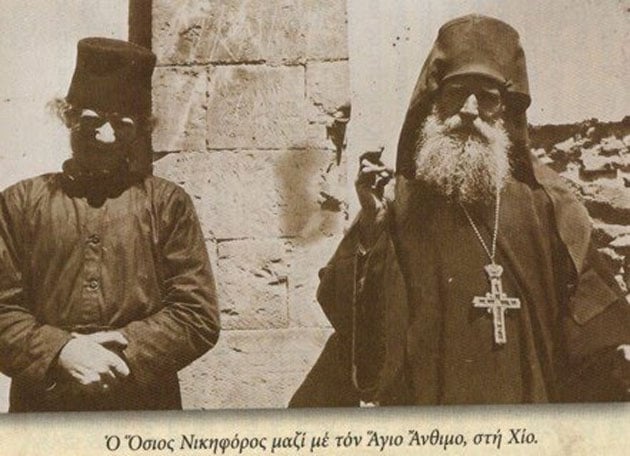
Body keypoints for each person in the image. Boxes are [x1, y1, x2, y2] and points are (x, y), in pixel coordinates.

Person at [290, 14, 630, 407]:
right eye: (457, 92)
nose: (469, 110)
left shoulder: (547, 205)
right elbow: (358, 329)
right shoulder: (399, 203)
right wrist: (372, 228)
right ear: (433, 101)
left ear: (504, 110)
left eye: (486, 97)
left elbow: (591, 322)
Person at [0, 38, 220, 412]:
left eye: (123, 124)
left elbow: (196, 314)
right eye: (92, 121)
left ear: (141, 129)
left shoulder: (167, 204)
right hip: (45, 409)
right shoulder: (18, 204)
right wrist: (61, 352)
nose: (107, 135)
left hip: (142, 408)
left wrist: (121, 352)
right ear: (68, 117)